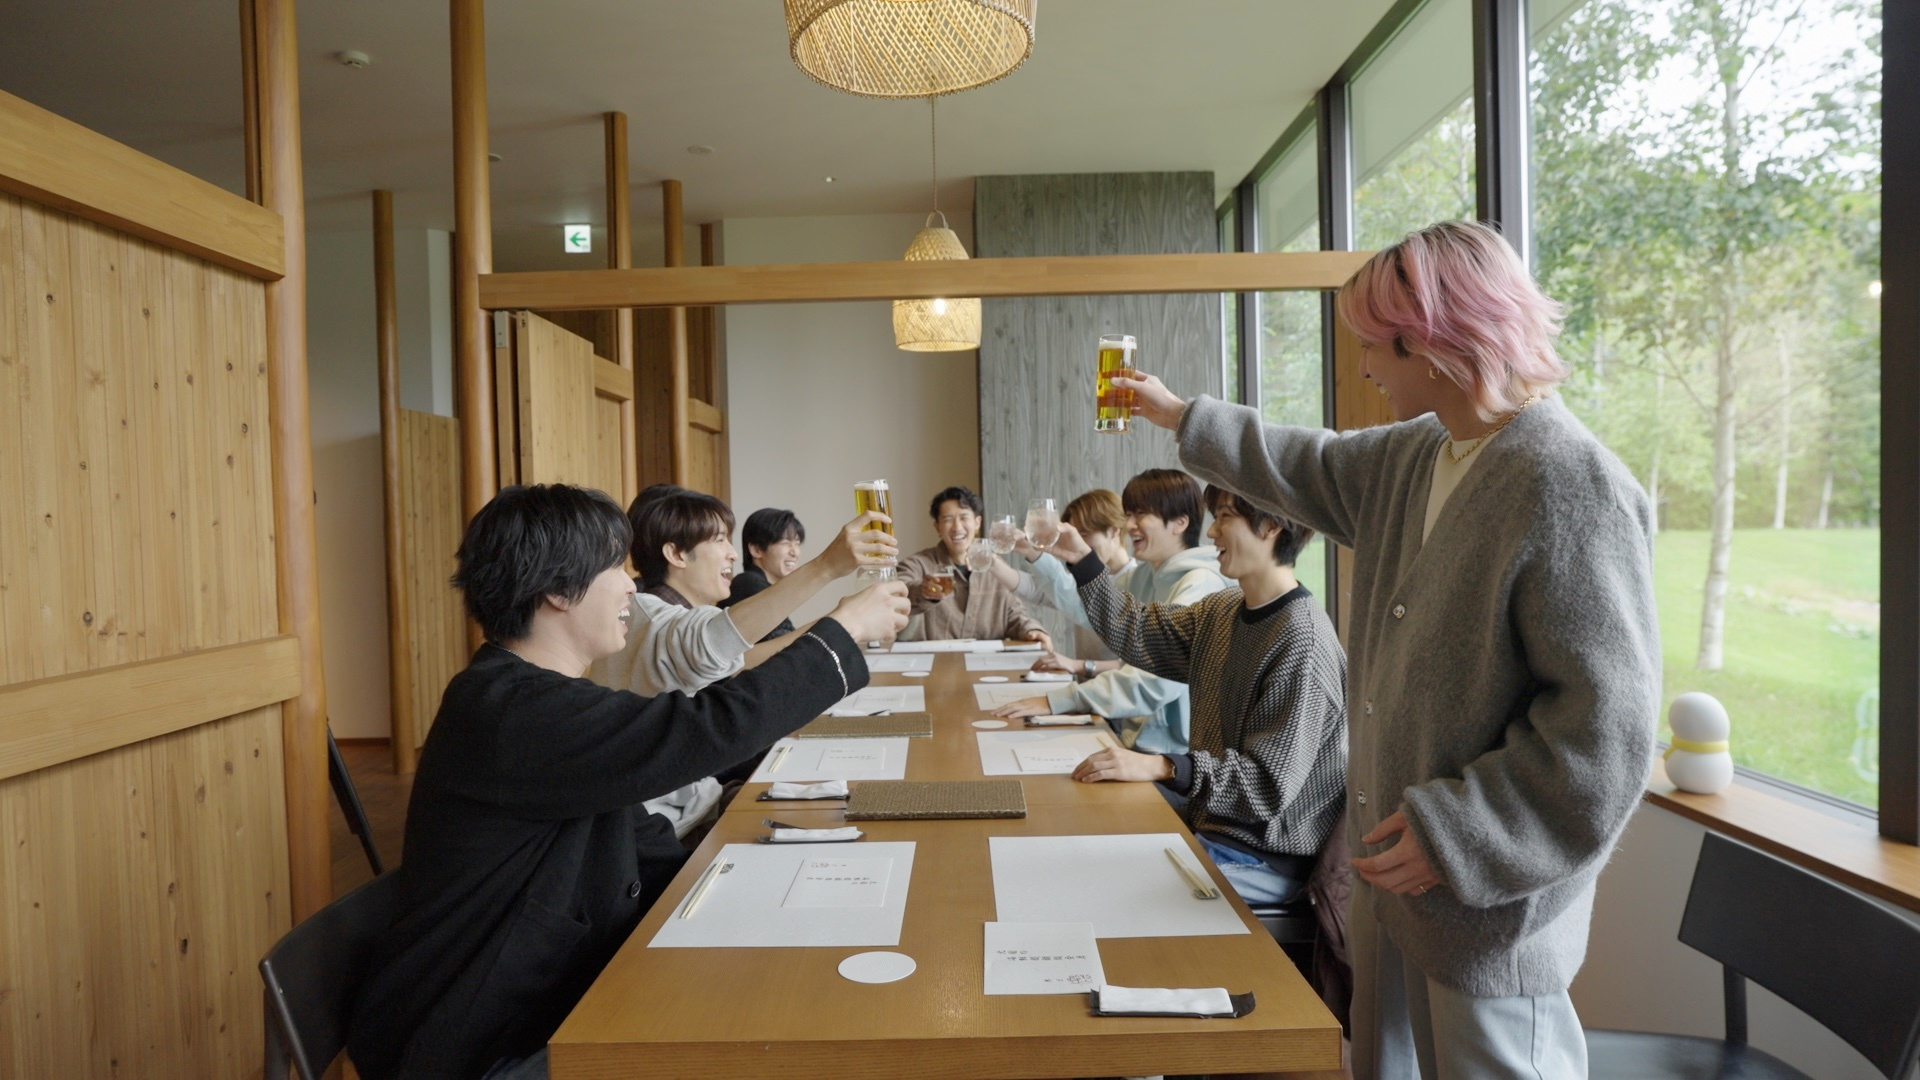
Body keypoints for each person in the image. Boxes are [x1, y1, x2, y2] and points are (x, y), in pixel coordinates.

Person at [1115, 220, 1660, 1080]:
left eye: (1377, 345)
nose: (1365, 366)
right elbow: (1305, 464)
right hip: (1389, 880)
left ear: (1436, 342)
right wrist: (1181, 416)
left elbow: (1604, 736)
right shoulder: (1419, 452)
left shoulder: (1569, 482)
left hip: (1482, 900)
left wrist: (1458, 832)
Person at [348, 484, 908, 1080]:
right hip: (481, 1043)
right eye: (613, 566)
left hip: (550, 999)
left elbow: (642, 841)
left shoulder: (535, 696)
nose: (629, 585)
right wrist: (841, 631)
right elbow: (703, 728)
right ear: (558, 590)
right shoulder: (510, 710)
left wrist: (756, 895)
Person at [1050, 486, 1347, 908]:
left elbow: (1264, 788)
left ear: (1274, 525)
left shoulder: (1303, 640)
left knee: (1098, 890)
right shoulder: (1224, 610)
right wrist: (1082, 561)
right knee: (1083, 834)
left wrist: (1163, 765)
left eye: (1226, 516)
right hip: (1215, 825)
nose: (1212, 533)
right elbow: (1137, 629)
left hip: (1265, 856)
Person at [588, 489, 897, 838]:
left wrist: (841, 620)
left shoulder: (670, 616)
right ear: (675, 553)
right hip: (665, 830)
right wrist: (828, 570)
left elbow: (739, 661)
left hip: (692, 804)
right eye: (720, 540)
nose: (733, 554)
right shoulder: (647, 615)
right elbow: (711, 644)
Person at [990, 469, 1229, 756]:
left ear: (1179, 523)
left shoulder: (1199, 583)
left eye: (1140, 514)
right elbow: (1089, 606)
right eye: (1128, 514)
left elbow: (1153, 683)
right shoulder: (1146, 576)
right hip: (1135, 741)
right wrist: (1036, 553)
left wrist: (1060, 700)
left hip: (1173, 758)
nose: (1129, 525)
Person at [895, 484, 1051, 649]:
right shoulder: (917, 564)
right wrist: (923, 591)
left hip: (986, 668)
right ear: (937, 528)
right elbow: (897, 594)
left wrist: (1031, 631)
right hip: (932, 666)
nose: (957, 527)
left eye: (964, 517)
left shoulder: (996, 570)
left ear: (977, 523)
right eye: (947, 519)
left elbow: (1014, 615)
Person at [985, 488, 1131, 663]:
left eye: (1084, 533)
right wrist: (994, 561)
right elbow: (1040, 591)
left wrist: (1079, 666)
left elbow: (1136, 667)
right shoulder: (1089, 580)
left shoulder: (1136, 580)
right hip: (1087, 686)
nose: (1078, 543)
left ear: (1114, 530)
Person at [722, 507, 807, 640]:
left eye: (797, 544)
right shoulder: (749, 583)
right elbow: (786, 645)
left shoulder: (761, 585)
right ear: (756, 549)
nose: (795, 553)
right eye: (785, 543)